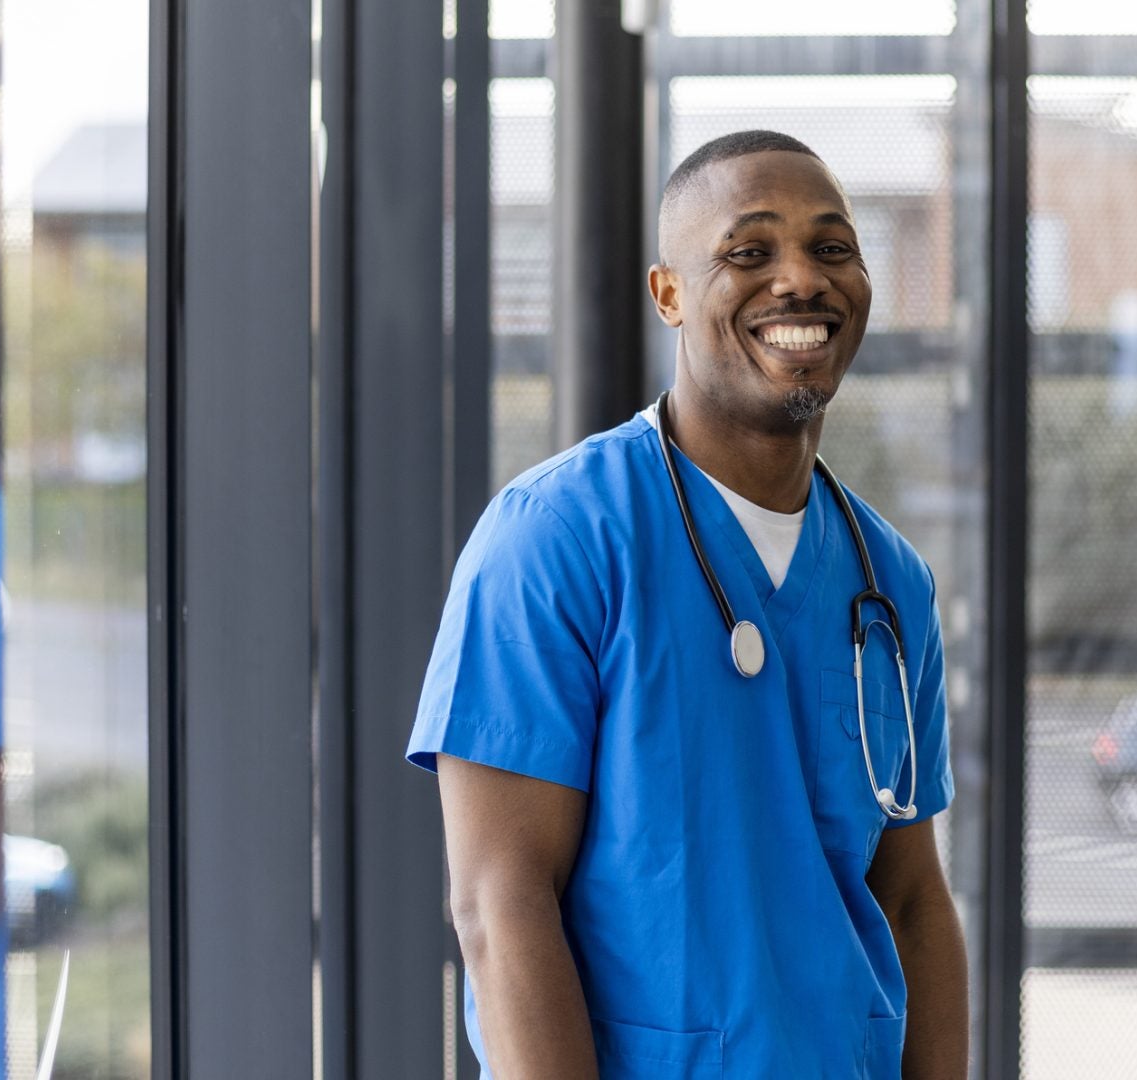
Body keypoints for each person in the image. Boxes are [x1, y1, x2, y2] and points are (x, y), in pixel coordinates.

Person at [406, 129, 966, 1079]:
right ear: (667, 292)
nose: (801, 280)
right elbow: (501, 905)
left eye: (833, 249)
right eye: (749, 252)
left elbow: (912, 901)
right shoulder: (556, 539)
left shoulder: (890, 583)